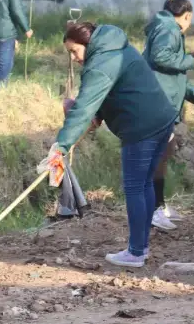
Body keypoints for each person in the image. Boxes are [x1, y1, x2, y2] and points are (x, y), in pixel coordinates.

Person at [52, 22, 178, 268]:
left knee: (134, 188)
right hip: (162, 120)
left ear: (88, 45)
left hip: (141, 128)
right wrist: (98, 114)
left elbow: (84, 107)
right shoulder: (114, 46)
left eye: (75, 51)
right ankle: (141, 247)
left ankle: (136, 252)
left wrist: (61, 146)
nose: (75, 58)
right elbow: (114, 90)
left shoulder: (99, 65)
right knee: (144, 184)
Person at [142, 0, 194, 231]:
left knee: (166, 151)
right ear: (186, 16)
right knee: (159, 155)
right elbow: (161, 57)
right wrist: (192, 61)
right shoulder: (170, 29)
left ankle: (160, 205)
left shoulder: (165, 28)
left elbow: (177, 80)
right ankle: (154, 210)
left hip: (162, 101)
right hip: (157, 104)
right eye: (190, 19)